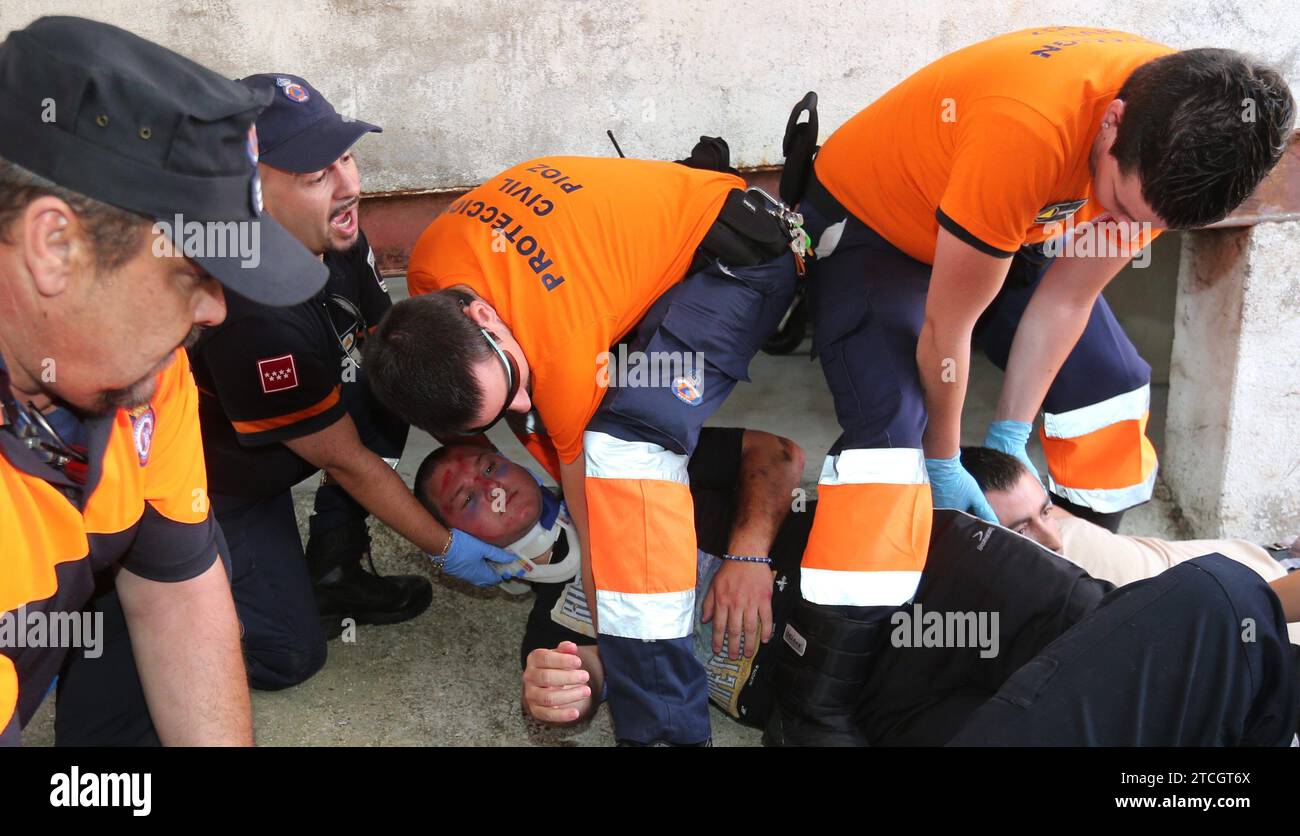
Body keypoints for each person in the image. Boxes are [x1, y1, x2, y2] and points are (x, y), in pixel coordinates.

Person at [770, 26, 1296, 744]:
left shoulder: (1168, 146)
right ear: (1112, 120)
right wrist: (944, 456)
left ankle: (1060, 598)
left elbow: (1065, 302)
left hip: (1017, 227)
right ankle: (813, 709)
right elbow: (945, 334)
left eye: (1140, 223)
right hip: (879, 228)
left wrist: (1012, 439)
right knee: (890, 442)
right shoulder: (1027, 132)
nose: (1118, 225)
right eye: (1118, 200)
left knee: (1110, 389)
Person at [365, 150, 802, 745]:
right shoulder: (429, 279)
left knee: (628, 453)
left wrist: (618, 630)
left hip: (746, 258)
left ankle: (665, 734)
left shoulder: (562, 352)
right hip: (663, 239)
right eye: (499, 417)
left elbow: (602, 525)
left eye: (515, 388)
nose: (524, 413)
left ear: (484, 316)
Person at [0, 17, 326, 745]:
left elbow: (175, 588)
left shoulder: (142, 372)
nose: (217, 307)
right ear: (54, 246)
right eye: (194, 273)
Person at [184, 74, 516, 694]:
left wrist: (487, 463)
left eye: (344, 156)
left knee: (403, 363)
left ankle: (335, 565)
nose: (350, 187)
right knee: (288, 657)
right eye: (316, 176)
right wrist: (445, 547)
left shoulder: (334, 230)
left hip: (291, 433)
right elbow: (350, 462)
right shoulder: (255, 313)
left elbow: (394, 346)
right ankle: (156, 589)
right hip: (221, 486)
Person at [413, 427, 808, 727]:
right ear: (463, 544)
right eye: (466, 499)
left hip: (838, 582)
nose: (492, 488)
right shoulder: (550, 635)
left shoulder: (625, 464)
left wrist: (747, 554)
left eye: (489, 466)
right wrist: (558, 693)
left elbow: (778, 452)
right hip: (804, 703)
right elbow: (590, 678)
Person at [961, 445, 1300, 644]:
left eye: (1045, 511)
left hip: (1264, 571)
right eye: (1021, 531)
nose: (1053, 539)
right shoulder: (1061, 609)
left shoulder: (1041, 541)